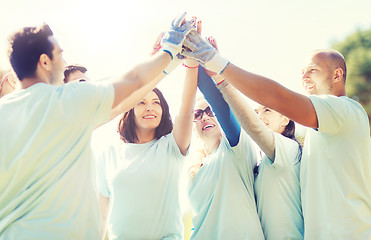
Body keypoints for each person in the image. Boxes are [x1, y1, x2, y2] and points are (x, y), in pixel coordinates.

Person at [0, 13, 195, 239]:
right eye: (60, 55)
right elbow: (132, 81)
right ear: (45, 61)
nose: (64, 63)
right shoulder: (67, 100)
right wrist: (169, 51)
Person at [183, 31, 371, 239]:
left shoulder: (344, 110)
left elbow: (273, 101)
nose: (304, 77)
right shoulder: (314, 139)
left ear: (337, 75)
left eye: (313, 70)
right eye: (302, 72)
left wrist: (217, 66)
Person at [95, 19, 199, 240]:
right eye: (142, 102)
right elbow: (102, 212)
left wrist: (191, 63)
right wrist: (154, 60)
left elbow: (187, 109)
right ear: (130, 110)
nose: (150, 107)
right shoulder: (109, 153)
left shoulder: (171, 146)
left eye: (156, 103)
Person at [197, 36, 304, 239]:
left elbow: (253, 127)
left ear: (285, 120)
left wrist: (220, 73)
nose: (260, 116)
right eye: (257, 111)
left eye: (268, 111)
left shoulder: (289, 150)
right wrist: (200, 65)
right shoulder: (262, 163)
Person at [184, 27, 264, 238]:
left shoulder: (236, 147)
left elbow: (219, 102)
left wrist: (194, 53)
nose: (205, 117)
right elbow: (200, 221)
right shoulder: (194, 170)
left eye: (210, 111)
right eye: (198, 114)